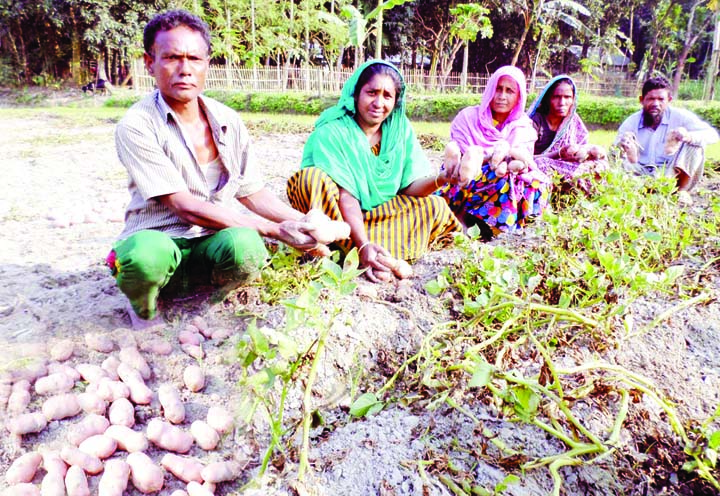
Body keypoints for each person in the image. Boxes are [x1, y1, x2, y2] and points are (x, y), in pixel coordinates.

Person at [109, 10, 330, 326]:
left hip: (212, 243)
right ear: (149, 62)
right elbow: (184, 207)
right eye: (171, 58)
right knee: (142, 258)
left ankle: (208, 293)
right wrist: (276, 231)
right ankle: (145, 307)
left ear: (207, 64)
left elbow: (253, 193)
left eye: (194, 59)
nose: (185, 69)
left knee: (246, 247)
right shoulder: (137, 125)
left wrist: (304, 223)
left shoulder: (228, 120)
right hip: (160, 240)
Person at [286, 60, 462, 283]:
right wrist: (363, 244)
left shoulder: (399, 130)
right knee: (310, 179)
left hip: (380, 216)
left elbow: (409, 188)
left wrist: (442, 178)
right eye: (371, 92)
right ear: (357, 94)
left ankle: (361, 253)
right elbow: (346, 196)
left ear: (396, 101)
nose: (379, 103)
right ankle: (348, 248)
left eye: (387, 96)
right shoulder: (332, 131)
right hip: (336, 215)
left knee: (434, 205)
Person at [438, 65, 551, 237]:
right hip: (464, 179)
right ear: (490, 89)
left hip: (501, 183)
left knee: (531, 182)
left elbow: (524, 161)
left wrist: (501, 154)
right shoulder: (468, 117)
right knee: (497, 177)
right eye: (498, 89)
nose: (502, 96)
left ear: (519, 96)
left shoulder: (523, 126)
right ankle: (460, 218)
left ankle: (492, 226)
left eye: (509, 91)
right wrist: (486, 157)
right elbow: (459, 155)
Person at [616, 76, 719, 191]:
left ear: (669, 100)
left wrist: (687, 136)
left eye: (661, 99)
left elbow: (712, 135)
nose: (656, 103)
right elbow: (616, 152)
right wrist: (625, 145)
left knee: (695, 145)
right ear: (641, 100)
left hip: (670, 173)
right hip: (638, 173)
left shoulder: (680, 116)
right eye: (650, 99)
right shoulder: (631, 121)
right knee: (615, 152)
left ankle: (680, 193)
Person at [528, 75, 607, 191]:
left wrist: (584, 152)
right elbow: (526, 158)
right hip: (540, 165)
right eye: (556, 97)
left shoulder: (573, 120)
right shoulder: (535, 122)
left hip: (567, 166)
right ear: (548, 98)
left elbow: (583, 146)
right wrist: (559, 153)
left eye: (567, 97)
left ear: (573, 99)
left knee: (600, 164)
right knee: (541, 164)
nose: (562, 102)